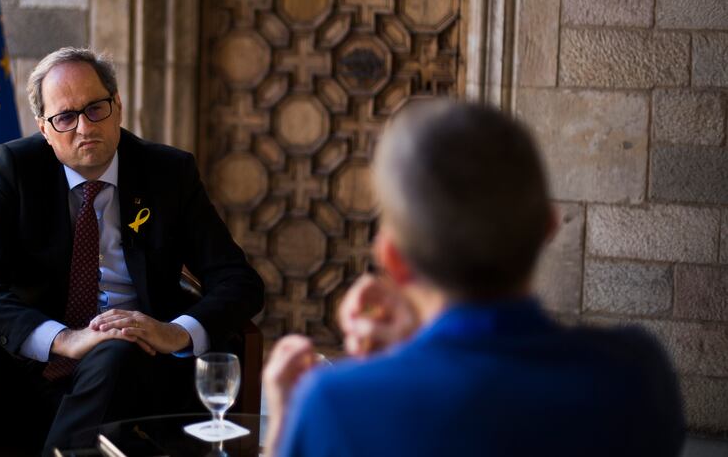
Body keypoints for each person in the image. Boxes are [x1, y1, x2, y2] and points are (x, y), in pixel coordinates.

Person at [264, 100, 684, 457]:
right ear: (548, 228)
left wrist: (284, 421)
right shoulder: (637, 375)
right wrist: (419, 344)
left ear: (392, 258)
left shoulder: (334, 405)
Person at [0, 47, 264, 454]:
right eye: (65, 117)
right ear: (44, 128)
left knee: (117, 351)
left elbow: (240, 281)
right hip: (44, 366)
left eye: (96, 108)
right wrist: (64, 339)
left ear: (118, 108)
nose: (83, 127)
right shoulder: (15, 169)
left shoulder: (168, 172)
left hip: (147, 362)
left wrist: (176, 332)